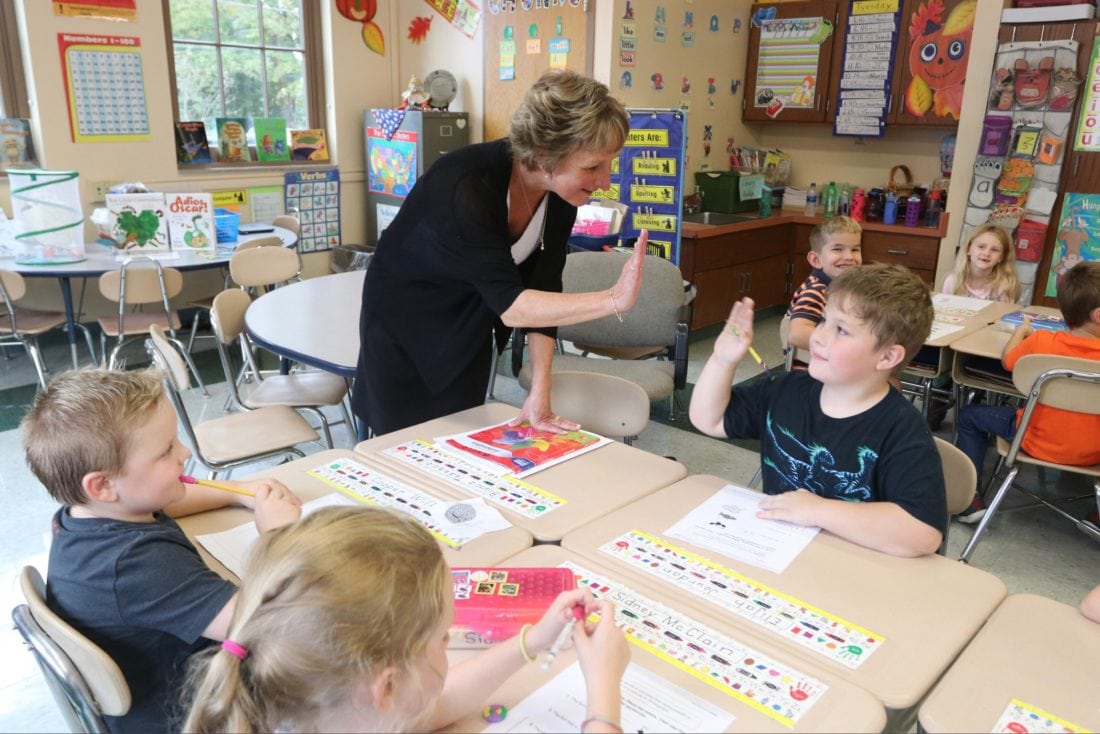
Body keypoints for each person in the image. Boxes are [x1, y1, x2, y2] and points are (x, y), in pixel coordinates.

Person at [354, 69, 646, 437]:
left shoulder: (560, 196)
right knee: (405, 452)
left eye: (609, 164)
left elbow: (545, 287)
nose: (605, 181)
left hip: (468, 324)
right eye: (592, 167)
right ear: (544, 154)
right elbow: (513, 307)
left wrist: (541, 391)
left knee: (460, 440)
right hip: (406, 332)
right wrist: (612, 300)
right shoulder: (466, 185)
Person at [20, 368, 302, 734]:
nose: (185, 452)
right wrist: (278, 535)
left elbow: (167, 500)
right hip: (191, 712)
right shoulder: (137, 565)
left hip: (160, 686)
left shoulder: (88, 513)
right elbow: (265, 625)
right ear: (104, 484)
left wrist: (238, 491)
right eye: (167, 449)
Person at [183, 506, 629, 733]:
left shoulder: (314, 706)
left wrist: (532, 642)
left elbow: (432, 703)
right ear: (386, 686)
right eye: (440, 638)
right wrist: (604, 698)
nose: (451, 637)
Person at [690, 264, 946, 557]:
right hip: (779, 554)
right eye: (823, 320)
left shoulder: (901, 429)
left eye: (841, 330)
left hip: (852, 568)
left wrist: (818, 510)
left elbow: (922, 533)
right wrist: (723, 361)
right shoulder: (786, 390)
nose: (819, 336)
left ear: (887, 356)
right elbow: (709, 420)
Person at [954, 261, 1100, 524]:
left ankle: (968, 498)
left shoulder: (1042, 342)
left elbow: (1009, 361)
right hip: (1094, 453)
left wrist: (1021, 332)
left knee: (969, 415)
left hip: (1032, 441)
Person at [786, 215, 862, 355]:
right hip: (816, 368)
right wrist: (847, 346)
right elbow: (796, 334)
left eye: (855, 250)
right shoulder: (816, 291)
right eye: (838, 249)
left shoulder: (841, 288)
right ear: (816, 259)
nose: (849, 257)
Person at [941, 224, 1021, 302]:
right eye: (981, 247)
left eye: (994, 250)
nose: (986, 253)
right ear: (968, 249)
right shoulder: (952, 281)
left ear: (1001, 257)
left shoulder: (1005, 286)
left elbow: (1004, 315)